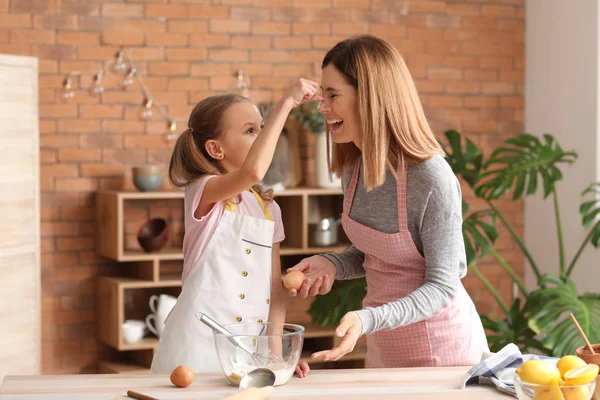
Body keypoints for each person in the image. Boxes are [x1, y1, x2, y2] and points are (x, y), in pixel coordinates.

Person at [287, 35, 489, 368]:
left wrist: (367, 319)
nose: (323, 107)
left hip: (442, 350)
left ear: (370, 96)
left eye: (333, 95)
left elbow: (442, 286)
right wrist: (331, 264)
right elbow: (376, 255)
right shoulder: (355, 168)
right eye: (323, 95)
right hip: (386, 345)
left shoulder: (431, 179)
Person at [150, 79, 320, 378]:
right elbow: (253, 171)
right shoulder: (202, 191)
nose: (262, 136)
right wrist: (286, 104)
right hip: (193, 350)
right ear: (215, 148)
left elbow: (275, 289)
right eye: (250, 131)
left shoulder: (270, 209)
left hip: (248, 354)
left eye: (262, 127)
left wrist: (275, 355)